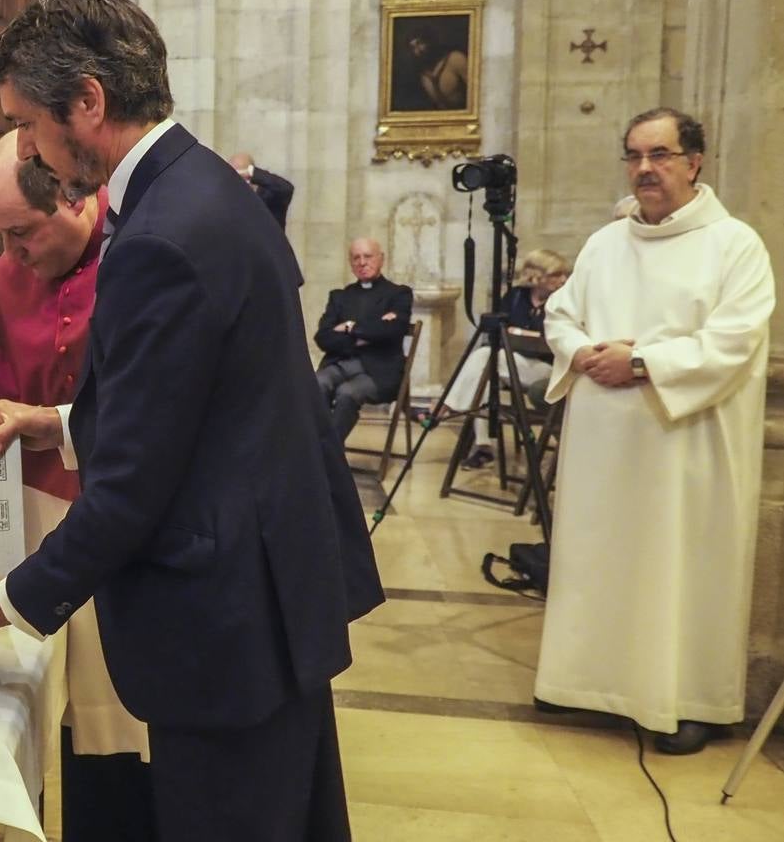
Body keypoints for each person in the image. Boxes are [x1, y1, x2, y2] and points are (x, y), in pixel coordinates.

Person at [0, 0, 384, 842]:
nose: (28, 147)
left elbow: (136, 486)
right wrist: (57, 423)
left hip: (224, 624)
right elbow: (207, 404)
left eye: (28, 123)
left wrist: (16, 599)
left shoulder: (158, 238)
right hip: (269, 593)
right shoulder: (204, 188)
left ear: (87, 101)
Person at [0, 130, 156, 842]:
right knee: (26, 709)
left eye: (19, 234)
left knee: (116, 723)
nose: (7, 256)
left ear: (75, 203)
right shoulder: (13, 272)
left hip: (127, 524)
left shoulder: (143, 254)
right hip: (37, 520)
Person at [534, 108, 774, 755]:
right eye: (634, 155)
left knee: (679, 565)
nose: (645, 169)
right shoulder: (606, 243)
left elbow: (733, 340)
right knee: (601, 558)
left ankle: (687, 699)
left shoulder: (735, 246)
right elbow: (561, 312)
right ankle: (586, 681)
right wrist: (584, 351)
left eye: (660, 155)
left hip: (684, 445)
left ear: (693, 162)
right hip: (603, 449)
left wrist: (641, 361)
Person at [412, 249, 572, 468]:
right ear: (536, 275)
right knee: (484, 378)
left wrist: (520, 334)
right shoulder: (516, 297)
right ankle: (483, 447)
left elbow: (553, 340)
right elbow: (497, 331)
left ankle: (440, 409)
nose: (563, 280)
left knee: (486, 357)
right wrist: (521, 335)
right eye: (556, 274)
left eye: (565, 274)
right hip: (509, 363)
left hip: (545, 369)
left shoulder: (563, 301)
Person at [313, 238, 414, 442]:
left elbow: (392, 331)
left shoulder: (398, 294)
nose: (362, 262)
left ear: (381, 259)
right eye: (356, 258)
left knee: (347, 393)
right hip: (341, 363)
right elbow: (323, 337)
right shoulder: (340, 297)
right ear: (351, 263)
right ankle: (318, 446)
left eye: (368, 256)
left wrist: (349, 327)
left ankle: (327, 452)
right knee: (316, 384)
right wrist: (368, 333)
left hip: (379, 370)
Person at [396, 24, 469, 111]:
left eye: (420, 43)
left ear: (429, 41)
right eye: (413, 47)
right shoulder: (421, 74)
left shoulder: (456, 59)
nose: (418, 50)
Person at [226, 152, 295, 227]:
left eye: (241, 173)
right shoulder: (228, 198)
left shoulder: (269, 195)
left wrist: (252, 173)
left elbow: (286, 188)